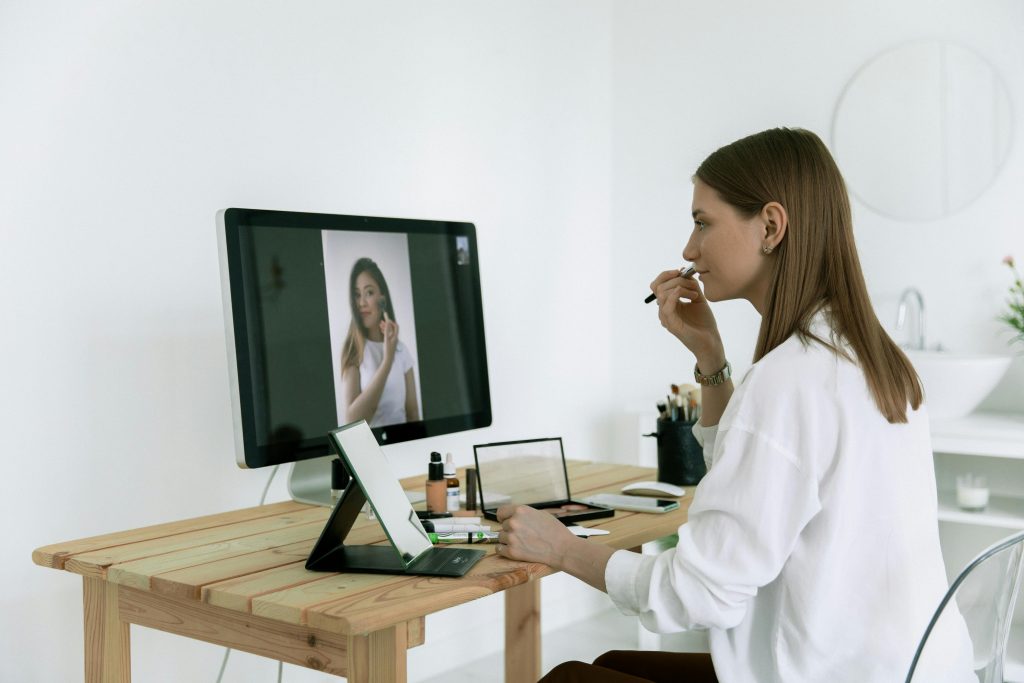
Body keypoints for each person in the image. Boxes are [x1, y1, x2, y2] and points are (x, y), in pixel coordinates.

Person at [495, 129, 974, 683]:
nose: (688, 249)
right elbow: (750, 484)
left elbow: (698, 595)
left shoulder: (789, 379)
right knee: (607, 665)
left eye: (703, 222)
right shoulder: (871, 358)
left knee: (567, 680)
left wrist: (562, 548)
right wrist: (711, 358)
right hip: (911, 670)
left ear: (770, 226)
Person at [340, 257, 420, 427]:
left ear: (382, 298)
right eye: (357, 295)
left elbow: (413, 413)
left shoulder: (402, 350)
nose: (362, 303)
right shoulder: (354, 350)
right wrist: (387, 362)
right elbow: (351, 422)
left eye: (369, 293)